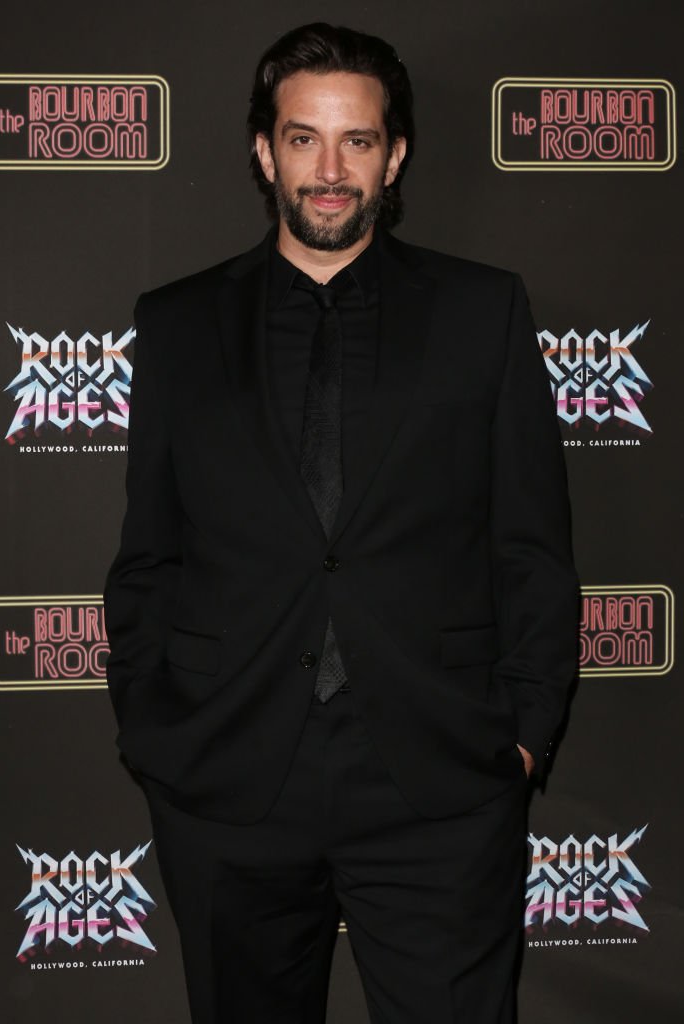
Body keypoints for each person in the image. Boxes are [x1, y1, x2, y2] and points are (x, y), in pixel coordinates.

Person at [103, 21, 580, 1024]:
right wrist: (155, 730)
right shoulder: (178, 324)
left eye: (356, 140)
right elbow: (149, 552)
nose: (330, 169)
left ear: (395, 153)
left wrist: (524, 737)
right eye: (304, 138)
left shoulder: (481, 311)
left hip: (438, 783)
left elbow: (531, 544)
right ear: (263, 150)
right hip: (229, 780)